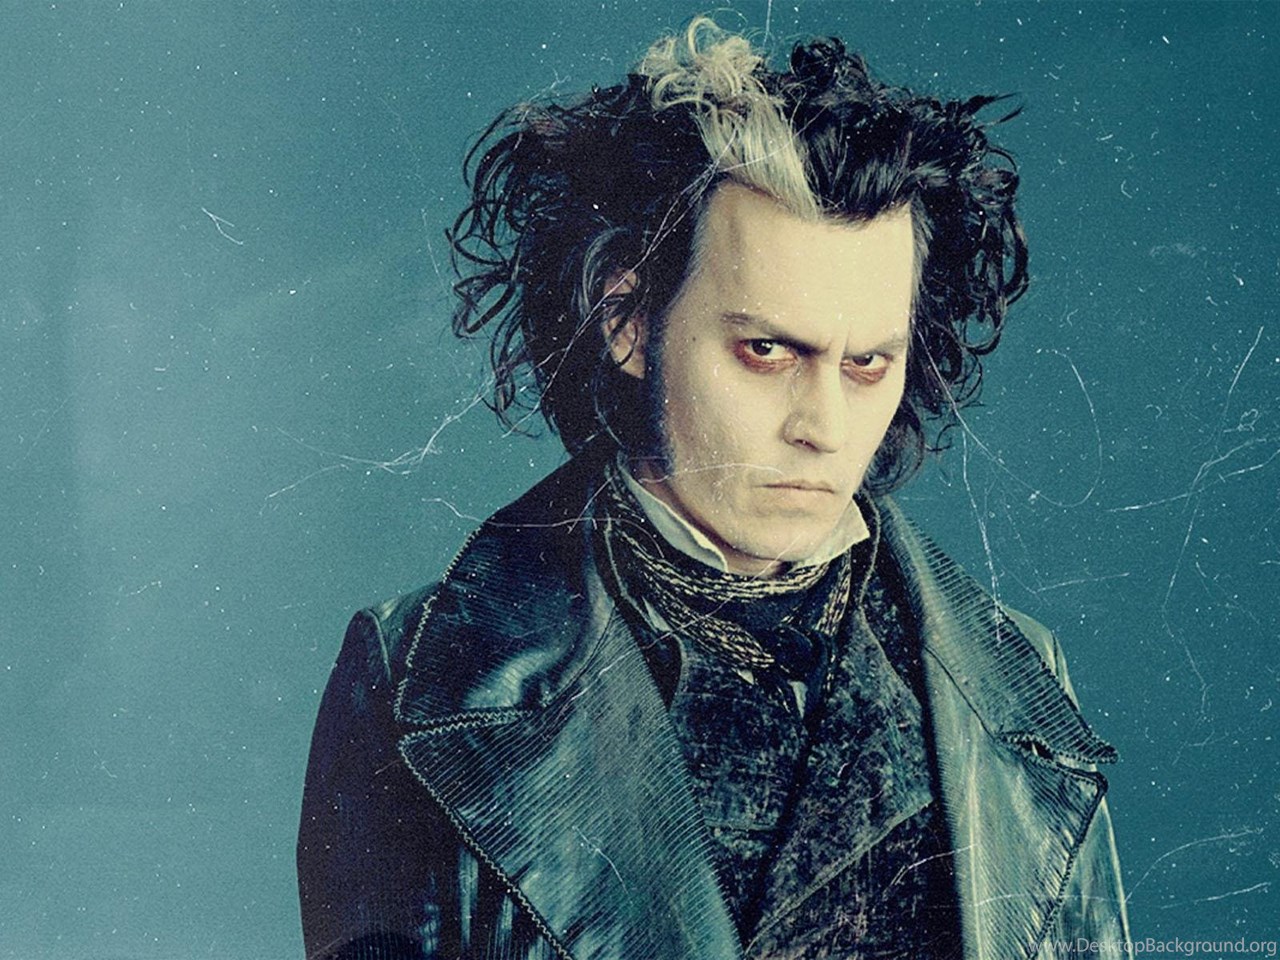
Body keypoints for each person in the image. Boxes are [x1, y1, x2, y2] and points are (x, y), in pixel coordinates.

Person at [297, 17, 1130, 960]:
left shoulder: (1017, 677)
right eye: (766, 350)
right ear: (626, 319)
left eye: (867, 363)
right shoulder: (424, 673)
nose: (823, 425)